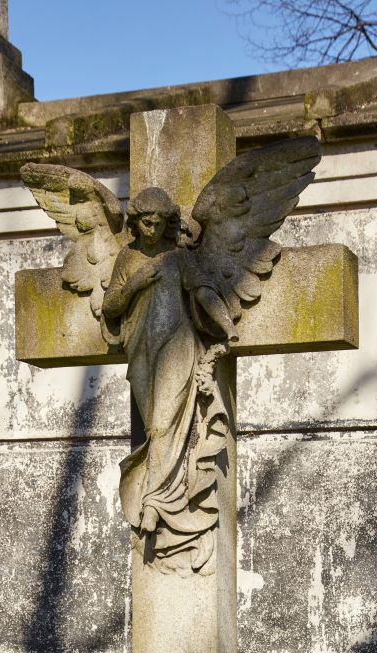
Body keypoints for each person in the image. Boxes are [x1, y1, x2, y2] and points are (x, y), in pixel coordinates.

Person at [102, 188, 229, 574]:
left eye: (159, 222)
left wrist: (223, 322)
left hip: (178, 349)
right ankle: (161, 502)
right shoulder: (129, 258)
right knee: (154, 427)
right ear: (136, 223)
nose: (152, 228)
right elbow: (110, 306)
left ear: (168, 222)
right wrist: (135, 282)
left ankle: (156, 503)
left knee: (161, 427)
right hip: (141, 351)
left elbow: (202, 290)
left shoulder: (178, 259)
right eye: (145, 222)